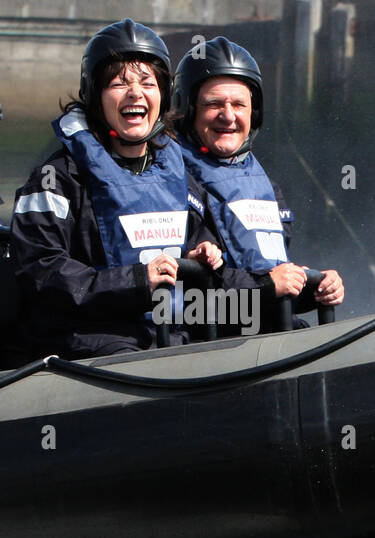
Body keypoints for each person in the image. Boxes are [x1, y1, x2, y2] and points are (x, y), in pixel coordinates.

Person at [8, 19, 226, 359]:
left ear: (163, 95)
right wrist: (136, 281)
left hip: (169, 335)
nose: (135, 93)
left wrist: (201, 254)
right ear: (95, 94)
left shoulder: (180, 177)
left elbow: (197, 239)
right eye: (118, 83)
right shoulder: (57, 179)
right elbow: (40, 269)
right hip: (87, 341)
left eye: (147, 82)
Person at [171, 37, 343, 325]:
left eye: (239, 104)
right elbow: (191, 295)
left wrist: (317, 287)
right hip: (209, 340)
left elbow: (275, 278)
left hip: (264, 329)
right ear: (189, 110)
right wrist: (265, 288)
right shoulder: (170, 178)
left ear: (255, 112)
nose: (228, 116)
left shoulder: (264, 185)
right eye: (214, 104)